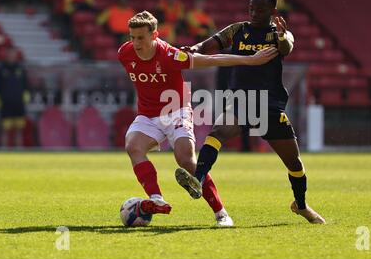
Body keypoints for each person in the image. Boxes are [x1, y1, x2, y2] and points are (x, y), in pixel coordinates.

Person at [175, 0, 326, 224]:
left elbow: (287, 46)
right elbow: (208, 46)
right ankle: (199, 179)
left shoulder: (279, 33)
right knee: (218, 132)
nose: (254, 13)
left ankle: (301, 205)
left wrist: (282, 38)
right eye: (251, 8)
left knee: (294, 162)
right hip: (241, 101)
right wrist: (191, 50)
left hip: (269, 106)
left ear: (272, 11)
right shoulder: (237, 30)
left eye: (261, 9)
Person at [117, 11, 278, 226]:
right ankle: (156, 198)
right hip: (147, 114)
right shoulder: (124, 53)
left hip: (176, 110)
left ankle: (221, 213)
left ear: (154, 35)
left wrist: (250, 60)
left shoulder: (170, 55)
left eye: (141, 38)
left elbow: (212, 59)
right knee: (133, 146)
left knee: (185, 160)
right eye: (132, 37)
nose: (135, 43)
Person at [0, 47, 30, 148]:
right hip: (6, 103)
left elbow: (26, 84)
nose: (11, 56)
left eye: (13, 54)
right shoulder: (1, 69)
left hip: (18, 103)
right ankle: (4, 151)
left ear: (16, 55)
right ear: (6, 54)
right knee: (5, 129)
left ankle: (19, 151)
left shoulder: (20, 69)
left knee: (19, 129)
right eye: (9, 53)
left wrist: (26, 95)